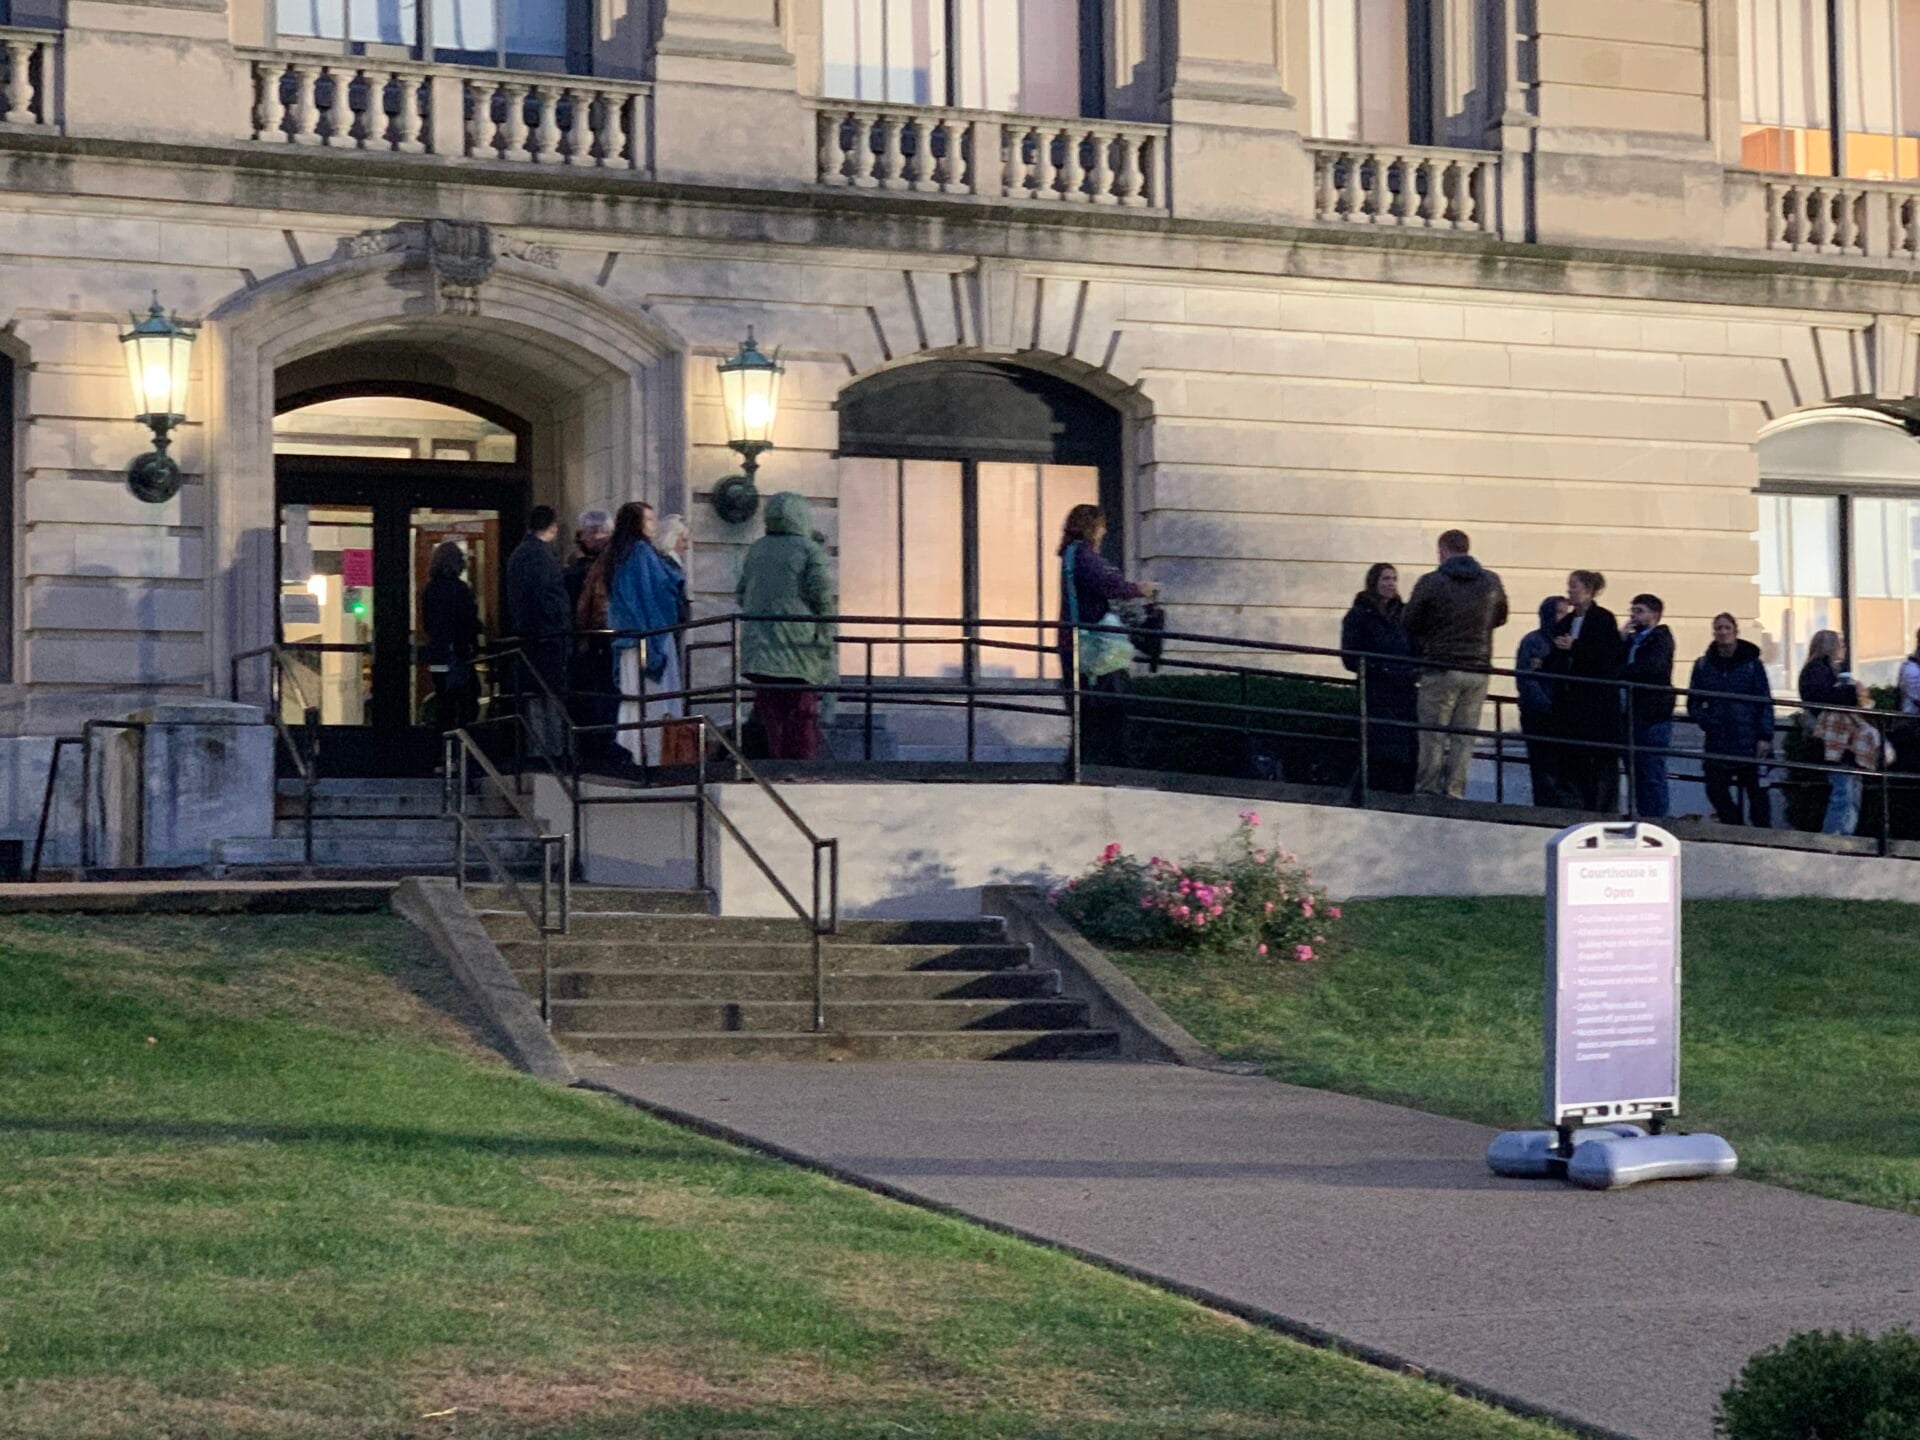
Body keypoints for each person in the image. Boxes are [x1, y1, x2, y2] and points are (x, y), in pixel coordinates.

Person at [1403, 529, 1508, 799]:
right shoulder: (1492, 582)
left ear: (1443, 550)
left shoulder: (1432, 581)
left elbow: (1410, 621)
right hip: (1478, 669)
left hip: (1441, 667)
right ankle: (1455, 791)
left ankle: (1428, 789)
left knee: (1433, 733)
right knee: (1463, 736)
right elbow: (1501, 616)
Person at [736, 492, 836, 760]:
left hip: (759, 651)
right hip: (799, 650)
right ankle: (799, 772)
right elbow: (823, 598)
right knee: (802, 717)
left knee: (771, 717)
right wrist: (826, 639)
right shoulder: (808, 550)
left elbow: (741, 593)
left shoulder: (756, 549)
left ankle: (774, 769)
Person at [1057, 504, 1155, 768]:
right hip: (1092, 646)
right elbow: (1108, 585)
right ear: (1092, 527)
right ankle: (1103, 766)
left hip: (1078, 642)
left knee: (1090, 714)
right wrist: (1138, 589)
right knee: (1107, 708)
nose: (1105, 531)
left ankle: (1083, 766)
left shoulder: (1071, 554)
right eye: (1101, 525)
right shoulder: (1084, 557)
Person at [596, 501, 686, 770]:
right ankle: (656, 758)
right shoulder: (641, 552)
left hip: (627, 640)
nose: (654, 525)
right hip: (649, 636)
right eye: (649, 520)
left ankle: (634, 753)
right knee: (657, 699)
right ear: (636, 524)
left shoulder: (617, 554)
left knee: (633, 699)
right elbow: (655, 593)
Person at [1545, 569, 1625, 812]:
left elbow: (1607, 656)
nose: (1570, 591)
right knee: (1573, 759)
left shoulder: (1603, 619)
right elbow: (1556, 655)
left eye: (1575, 587)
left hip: (1596, 704)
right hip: (1571, 704)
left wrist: (1575, 647)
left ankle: (1602, 806)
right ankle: (1577, 803)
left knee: (1600, 761)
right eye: (1569, 586)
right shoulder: (1566, 622)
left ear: (1589, 591)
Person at [1687, 613, 1775, 827]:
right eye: (1719, 628)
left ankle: (1762, 835)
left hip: (1750, 737)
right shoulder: (1703, 665)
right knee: (1715, 788)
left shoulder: (1752, 664)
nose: (1723, 632)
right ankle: (1735, 826)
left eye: (1727, 628)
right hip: (1718, 738)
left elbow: (1764, 700)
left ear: (1735, 632)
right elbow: (1694, 702)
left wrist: (1765, 735)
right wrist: (1707, 721)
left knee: (1757, 793)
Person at [1339, 562, 1416, 794]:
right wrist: (1377, 669)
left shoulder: (1404, 614)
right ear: (1374, 582)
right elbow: (1350, 655)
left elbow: (1416, 646)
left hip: (1404, 689)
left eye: (1393, 579)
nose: (1391, 584)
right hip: (1375, 689)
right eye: (1385, 579)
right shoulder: (1359, 615)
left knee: (1405, 744)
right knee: (1378, 744)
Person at [504, 504, 571, 758]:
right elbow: (547, 598)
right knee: (550, 701)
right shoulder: (540, 556)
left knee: (536, 701)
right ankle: (550, 755)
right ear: (552, 526)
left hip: (530, 641)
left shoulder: (521, 554)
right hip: (546, 641)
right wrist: (559, 629)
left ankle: (541, 753)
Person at [1811, 674, 1891, 837]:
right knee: (1847, 798)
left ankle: (1840, 834)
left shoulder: (1833, 710)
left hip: (1841, 758)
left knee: (1847, 798)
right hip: (1848, 759)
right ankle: (1836, 835)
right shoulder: (1849, 712)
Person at [1619, 593, 1676, 819]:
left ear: (1654, 614)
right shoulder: (1631, 640)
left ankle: (1657, 818)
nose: (1634, 615)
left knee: (1652, 771)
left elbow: (1653, 668)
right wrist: (1620, 640)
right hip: (1630, 713)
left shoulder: (1660, 639)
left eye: (1639, 611)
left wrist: (1622, 673)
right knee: (1635, 770)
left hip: (1652, 714)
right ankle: (1640, 814)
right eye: (1632, 610)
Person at [563, 508, 615, 759]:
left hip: (587, 642)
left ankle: (592, 746)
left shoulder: (575, 569)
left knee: (592, 698)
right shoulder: (604, 567)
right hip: (598, 640)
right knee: (599, 697)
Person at [1515, 595, 1574, 807]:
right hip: (1539, 714)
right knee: (1542, 765)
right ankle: (1545, 805)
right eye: (1560, 612)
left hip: (1564, 714)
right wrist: (1546, 705)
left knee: (1564, 766)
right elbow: (1526, 678)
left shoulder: (1570, 641)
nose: (1564, 618)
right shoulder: (1533, 641)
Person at [421, 540, 480, 734]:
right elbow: (468, 621)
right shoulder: (460, 589)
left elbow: (428, 623)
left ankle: (442, 750)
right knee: (466, 701)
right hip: (457, 653)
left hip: (438, 654)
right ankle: (460, 746)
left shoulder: (430, 589)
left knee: (444, 701)